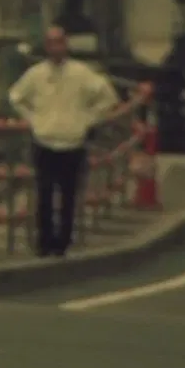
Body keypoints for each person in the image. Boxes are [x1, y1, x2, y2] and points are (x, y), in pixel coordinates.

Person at [8, 25, 118, 257]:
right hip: (44, 140)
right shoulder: (36, 74)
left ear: (66, 45)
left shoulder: (81, 73)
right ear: (46, 47)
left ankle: (63, 242)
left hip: (72, 142)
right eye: (51, 43)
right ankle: (44, 242)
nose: (56, 47)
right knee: (44, 195)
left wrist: (88, 119)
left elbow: (108, 97)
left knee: (68, 196)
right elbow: (16, 96)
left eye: (59, 42)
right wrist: (34, 119)